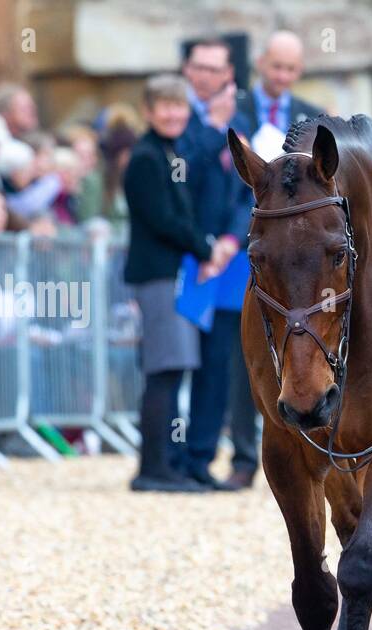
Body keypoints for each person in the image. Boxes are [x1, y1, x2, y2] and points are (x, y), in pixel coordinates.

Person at [122, 74, 235, 493]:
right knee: (165, 372)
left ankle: (167, 464)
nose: (172, 114)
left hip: (172, 272)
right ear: (148, 112)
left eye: (178, 106)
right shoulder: (147, 158)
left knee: (172, 370)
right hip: (158, 274)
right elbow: (166, 221)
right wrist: (207, 249)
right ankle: (155, 468)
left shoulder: (165, 152)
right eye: (164, 107)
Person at [175, 36, 258, 491]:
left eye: (215, 69)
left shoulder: (237, 122)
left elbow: (246, 191)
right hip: (182, 255)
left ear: (229, 75)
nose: (205, 76)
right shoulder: (177, 115)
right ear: (188, 69)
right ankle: (169, 457)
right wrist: (212, 127)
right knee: (173, 363)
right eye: (199, 67)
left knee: (218, 364)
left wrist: (228, 241)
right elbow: (179, 173)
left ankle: (202, 456)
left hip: (226, 264)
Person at [244, 30, 324, 137]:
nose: (283, 76)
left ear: (300, 69)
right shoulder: (233, 110)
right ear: (260, 63)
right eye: (277, 66)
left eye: (291, 69)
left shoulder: (314, 117)